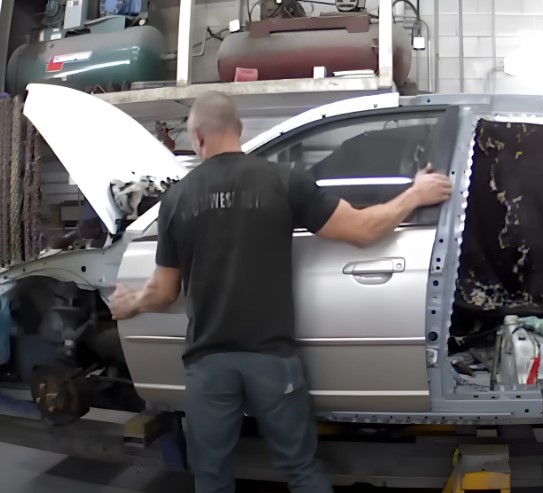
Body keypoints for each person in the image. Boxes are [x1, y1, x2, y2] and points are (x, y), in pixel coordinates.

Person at [108, 91, 453, 493]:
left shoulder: (177, 199)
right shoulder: (283, 180)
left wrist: (129, 303)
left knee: (211, 476)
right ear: (239, 130)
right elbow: (363, 230)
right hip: (271, 360)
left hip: (209, 363)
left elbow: (164, 291)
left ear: (198, 137)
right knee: (301, 470)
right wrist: (416, 193)